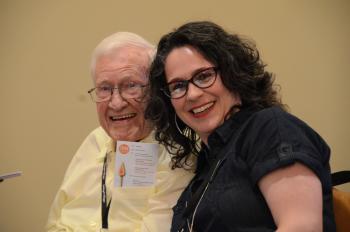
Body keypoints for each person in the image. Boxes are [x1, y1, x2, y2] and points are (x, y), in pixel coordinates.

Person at [145, 21, 336, 231]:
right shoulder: (207, 162)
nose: (193, 94)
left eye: (204, 76)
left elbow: (302, 227)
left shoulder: (270, 128)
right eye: (178, 86)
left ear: (233, 72)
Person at [46, 32, 194, 232]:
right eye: (104, 89)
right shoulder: (95, 140)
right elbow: (54, 223)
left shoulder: (178, 154)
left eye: (131, 86)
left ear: (156, 90)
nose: (116, 103)